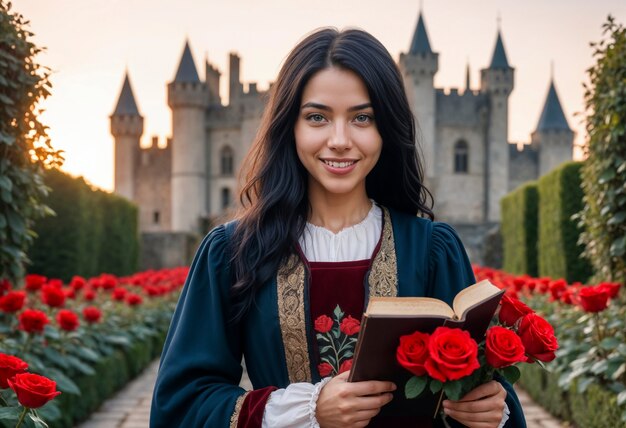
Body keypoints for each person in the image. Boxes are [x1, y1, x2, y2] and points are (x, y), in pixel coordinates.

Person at [150, 27, 526, 428]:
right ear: (289, 127)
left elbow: (488, 392)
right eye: (317, 117)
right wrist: (308, 409)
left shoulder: (432, 249)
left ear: (387, 129)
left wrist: (488, 410)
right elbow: (182, 404)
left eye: (362, 118)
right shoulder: (232, 252)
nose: (340, 140)